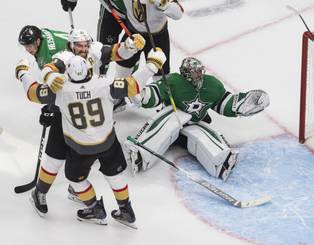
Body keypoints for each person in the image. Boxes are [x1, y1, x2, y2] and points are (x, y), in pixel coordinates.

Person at [25, 48, 167, 225]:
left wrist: (23, 72)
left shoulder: (61, 90)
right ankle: (126, 209)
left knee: (75, 179)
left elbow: (32, 92)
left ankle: (94, 208)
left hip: (80, 147)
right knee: (115, 177)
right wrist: (153, 65)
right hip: (108, 141)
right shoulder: (105, 83)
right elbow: (134, 85)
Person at [17, 27, 146, 216]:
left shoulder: (94, 50)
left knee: (70, 160)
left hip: (79, 108)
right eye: (78, 45)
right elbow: (48, 70)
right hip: (74, 109)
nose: (83, 48)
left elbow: (118, 52)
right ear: (71, 45)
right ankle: (45, 192)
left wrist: (130, 46)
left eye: (86, 45)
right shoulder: (65, 57)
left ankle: (70, 189)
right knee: (57, 158)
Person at [125, 57, 270, 180]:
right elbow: (153, 94)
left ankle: (221, 162)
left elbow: (222, 103)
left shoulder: (212, 84)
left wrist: (239, 105)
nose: (199, 74)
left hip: (191, 127)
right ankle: (140, 153)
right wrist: (141, 95)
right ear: (185, 74)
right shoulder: (173, 81)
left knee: (204, 134)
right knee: (170, 118)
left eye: (200, 71)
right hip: (173, 122)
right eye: (195, 72)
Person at [15, 25, 81, 210]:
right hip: (78, 81)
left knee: (63, 148)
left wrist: (51, 106)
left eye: (29, 45)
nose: (28, 50)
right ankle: (61, 188)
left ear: (37, 40)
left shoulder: (50, 54)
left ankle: (58, 188)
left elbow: (59, 85)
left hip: (77, 91)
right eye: (25, 46)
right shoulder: (41, 39)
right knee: (72, 146)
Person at [61, 0, 184, 77]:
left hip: (153, 31)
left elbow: (178, 13)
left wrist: (162, 2)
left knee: (159, 70)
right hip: (119, 13)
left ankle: (160, 98)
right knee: (108, 52)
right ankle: (100, 84)